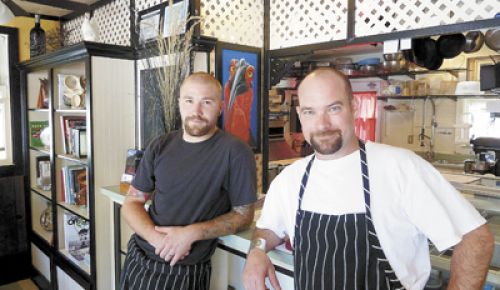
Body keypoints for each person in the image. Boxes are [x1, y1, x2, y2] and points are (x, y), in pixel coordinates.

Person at [243, 68, 494, 290]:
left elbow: (475, 239)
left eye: (333, 108)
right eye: (310, 112)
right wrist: (256, 251)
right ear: (300, 114)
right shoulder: (290, 180)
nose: (322, 124)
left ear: (353, 107)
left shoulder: (400, 168)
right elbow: (269, 228)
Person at [120, 72, 257, 290]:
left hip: (185, 270)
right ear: (179, 104)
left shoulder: (236, 152)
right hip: (138, 256)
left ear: (220, 106)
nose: (196, 111)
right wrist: (157, 239)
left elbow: (244, 216)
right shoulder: (159, 145)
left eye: (207, 102)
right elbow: (132, 202)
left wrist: (191, 233)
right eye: (189, 100)